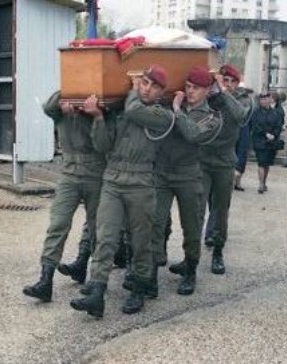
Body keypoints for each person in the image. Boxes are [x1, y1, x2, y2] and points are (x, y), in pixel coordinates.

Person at [70, 65, 173, 318]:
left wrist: (132, 91)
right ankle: (96, 292)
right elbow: (103, 145)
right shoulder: (122, 110)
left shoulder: (162, 115)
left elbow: (134, 108)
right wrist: (98, 118)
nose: (146, 88)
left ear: (161, 92)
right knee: (105, 236)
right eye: (144, 82)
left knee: (140, 240)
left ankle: (138, 287)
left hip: (141, 182)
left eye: (153, 86)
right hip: (113, 179)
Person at [22, 92, 115, 302]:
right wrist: (68, 93)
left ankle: (98, 281)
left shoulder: (100, 101)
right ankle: (45, 280)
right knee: (58, 223)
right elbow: (47, 107)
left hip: (96, 173)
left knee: (98, 227)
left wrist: (95, 114)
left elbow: (105, 144)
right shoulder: (61, 109)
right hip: (69, 173)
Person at [155, 66, 222, 296]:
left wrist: (176, 109)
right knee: (155, 221)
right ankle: (150, 270)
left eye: (195, 88)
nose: (190, 91)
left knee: (191, 225)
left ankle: (190, 269)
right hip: (162, 173)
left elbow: (193, 134)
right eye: (188, 87)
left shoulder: (213, 117)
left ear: (206, 91)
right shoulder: (173, 105)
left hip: (189, 175)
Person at [201, 64, 252, 275]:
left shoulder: (242, 101)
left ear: (236, 83)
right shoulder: (210, 98)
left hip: (224, 163)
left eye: (231, 81)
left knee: (221, 209)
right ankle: (192, 255)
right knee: (197, 207)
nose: (227, 84)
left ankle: (218, 253)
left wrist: (222, 90)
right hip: (202, 160)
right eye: (224, 80)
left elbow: (240, 116)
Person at [250, 92, 283, 193]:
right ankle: (260, 184)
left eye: (265, 99)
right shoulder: (255, 112)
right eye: (261, 99)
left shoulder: (275, 112)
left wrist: (274, 134)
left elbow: (279, 124)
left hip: (271, 141)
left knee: (267, 163)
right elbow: (255, 126)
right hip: (259, 140)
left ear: (270, 99)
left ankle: (264, 182)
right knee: (261, 162)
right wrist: (265, 133)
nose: (263, 101)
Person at [233, 88, 254, 191]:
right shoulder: (246, 101)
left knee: (240, 155)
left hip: (242, 129)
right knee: (240, 155)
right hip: (241, 129)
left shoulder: (244, 101)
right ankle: (236, 182)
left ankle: (236, 182)